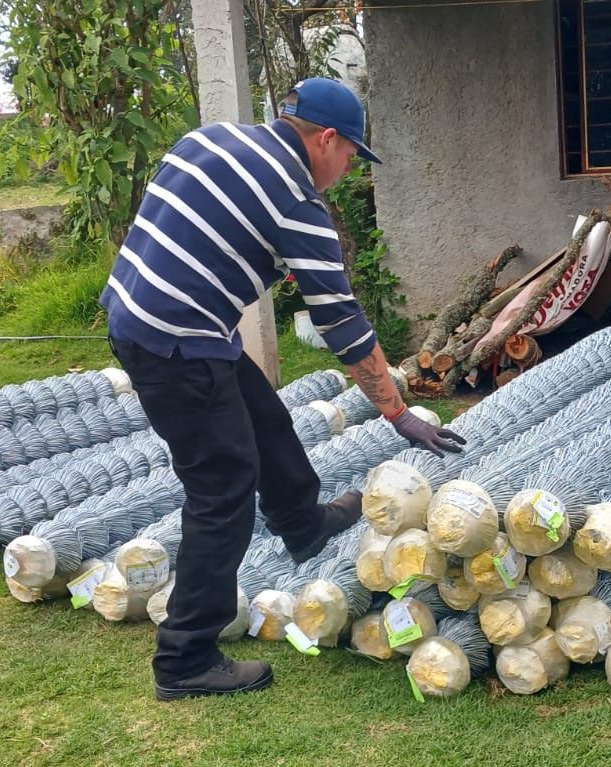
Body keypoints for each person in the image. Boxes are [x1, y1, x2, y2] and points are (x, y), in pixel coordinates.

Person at [100, 78, 466, 701]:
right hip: (176, 345)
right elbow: (343, 325)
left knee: (264, 415)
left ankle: (302, 522)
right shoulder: (297, 203)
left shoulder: (212, 139)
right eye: (350, 154)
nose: (348, 168)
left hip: (145, 317)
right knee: (223, 487)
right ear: (325, 138)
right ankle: (186, 658)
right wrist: (400, 415)